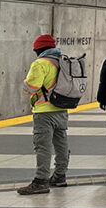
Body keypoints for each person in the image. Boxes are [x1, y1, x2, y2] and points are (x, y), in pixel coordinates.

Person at [17, 34, 69, 195]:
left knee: (43, 146)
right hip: (62, 108)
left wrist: (26, 84)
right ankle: (60, 176)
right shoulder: (63, 61)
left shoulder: (40, 63)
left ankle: (41, 181)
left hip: (44, 111)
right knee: (61, 144)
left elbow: (31, 88)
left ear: (39, 49)